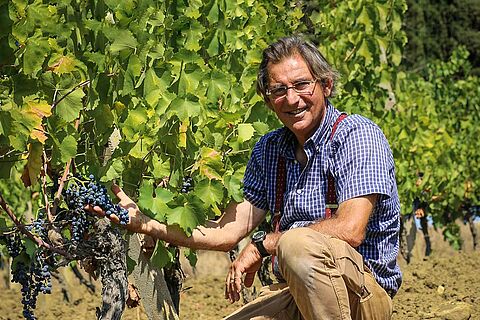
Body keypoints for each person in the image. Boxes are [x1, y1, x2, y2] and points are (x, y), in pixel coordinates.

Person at [90, 35, 402, 320]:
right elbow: (225, 233)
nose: (292, 99)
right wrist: (145, 223)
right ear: (268, 100)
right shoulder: (269, 150)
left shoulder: (357, 135)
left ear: (326, 85)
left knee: (295, 242)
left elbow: (350, 229)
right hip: (295, 295)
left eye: (302, 85)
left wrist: (264, 245)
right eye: (279, 90)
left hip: (360, 298)